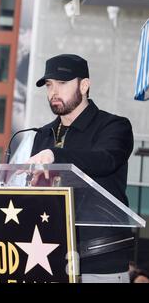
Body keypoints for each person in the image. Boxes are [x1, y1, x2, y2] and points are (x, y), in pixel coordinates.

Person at [28, 54, 134, 283]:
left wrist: (56, 155)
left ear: (84, 85)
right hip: (47, 259)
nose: (53, 91)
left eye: (62, 83)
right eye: (49, 85)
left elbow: (105, 160)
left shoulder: (114, 126)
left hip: (100, 261)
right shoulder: (42, 135)